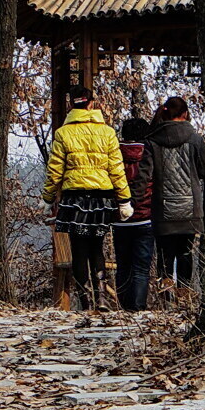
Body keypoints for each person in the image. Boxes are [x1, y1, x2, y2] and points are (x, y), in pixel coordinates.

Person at [41, 86, 133, 311]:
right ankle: (102, 297)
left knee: (79, 249)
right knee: (97, 246)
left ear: (72, 104)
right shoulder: (107, 132)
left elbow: (55, 171)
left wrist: (47, 198)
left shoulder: (63, 134)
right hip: (101, 198)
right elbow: (116, 169)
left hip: (74, 197)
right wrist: (124, 200)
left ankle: (86, 301)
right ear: (92, 103)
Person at [146, 96, 205, 305]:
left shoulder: (152, 140)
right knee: (185, 254)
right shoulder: (195, 139)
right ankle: (184, 298)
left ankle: (165, 299)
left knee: (164, 254)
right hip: (189, 207)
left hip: (162, 207)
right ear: (185, 114)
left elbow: (147, 174)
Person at [113, 118, 154, 311]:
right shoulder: (149, 153)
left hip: (119, 218)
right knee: (141, 268)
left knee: (122, 265)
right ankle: (138, 307)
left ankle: (123, 306)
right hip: (145, 218)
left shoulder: (114, 153)